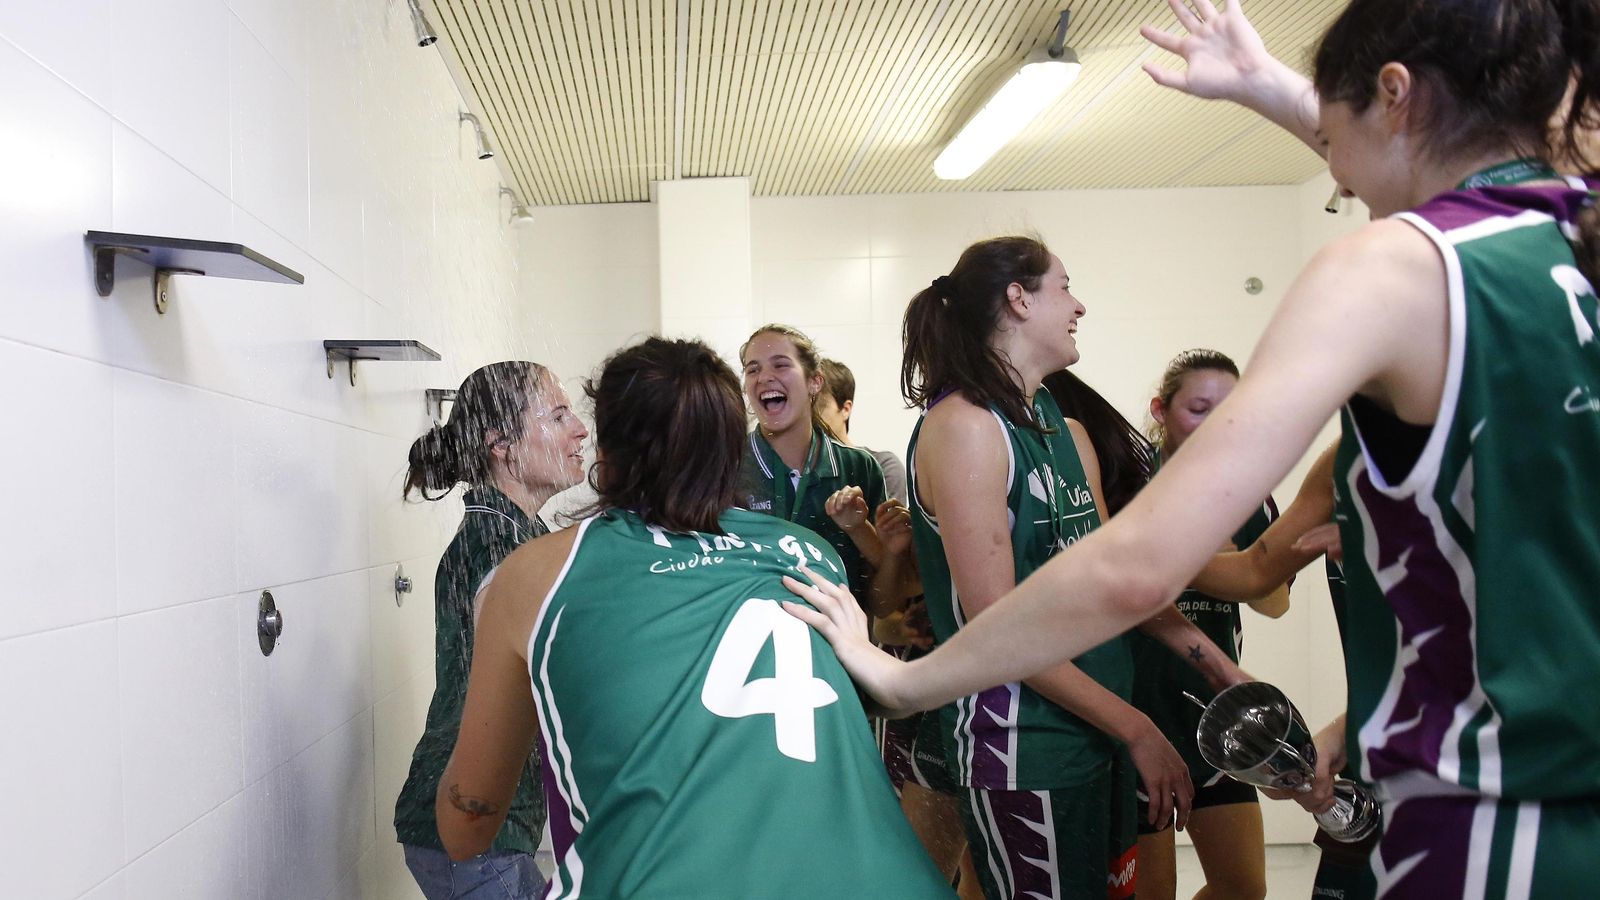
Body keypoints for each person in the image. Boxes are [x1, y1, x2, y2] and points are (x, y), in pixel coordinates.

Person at [786, 1, 1600, 897]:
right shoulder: (1574, 237)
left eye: (1334, 146)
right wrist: (1276, 92)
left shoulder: (1394, 267)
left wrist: (906, 684)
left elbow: (1132, 567)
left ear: (1398, 95)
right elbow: (1438, 162)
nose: (1339, 182)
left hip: (1484, 824)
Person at [432, 337, 955, 899]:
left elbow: (468, 824)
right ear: (736, 448)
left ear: (608, 450)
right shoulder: (809, 552)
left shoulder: (539, 571)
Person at [895, 236, 1249, 900]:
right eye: (1065, 287)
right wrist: (1138, 728)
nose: (1078, 305)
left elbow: (1114, 580)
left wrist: (1218, 667)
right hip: (1024, 749)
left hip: (1096, 732)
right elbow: (1000, 634)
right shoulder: (966, 427)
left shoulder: (1056, 421)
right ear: (1018, 300)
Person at [393, 361, 589, 900]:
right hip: (469, 829)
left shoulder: (517, 533)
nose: (581, 430)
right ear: (502, 446)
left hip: (478, 822)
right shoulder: (498, 549)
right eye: (558, 415)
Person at [1129, 349, 1286, 900]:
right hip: (1137, 712)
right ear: (1160, 409)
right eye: (1199, 408)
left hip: (1215, 714)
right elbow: (1123, 592)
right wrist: (1209, 559)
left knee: (1244, 889)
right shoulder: (1125, 479)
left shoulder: (1248, 488)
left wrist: (1214, 561)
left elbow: (1275, 601)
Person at [738, 325, 896, 610]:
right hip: (758, 646)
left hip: (839, 648)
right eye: (753, 369)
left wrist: (859, 529)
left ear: (815, 382)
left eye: (781, 364)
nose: (764, 377)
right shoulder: (727, 467)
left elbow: (884, 604)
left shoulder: (858, 467)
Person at [817, 357, 908, 503]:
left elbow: (888, 525)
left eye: (819, 406)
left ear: (845, 409)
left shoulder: (882, 465)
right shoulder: (801, 473)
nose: (811, 416)